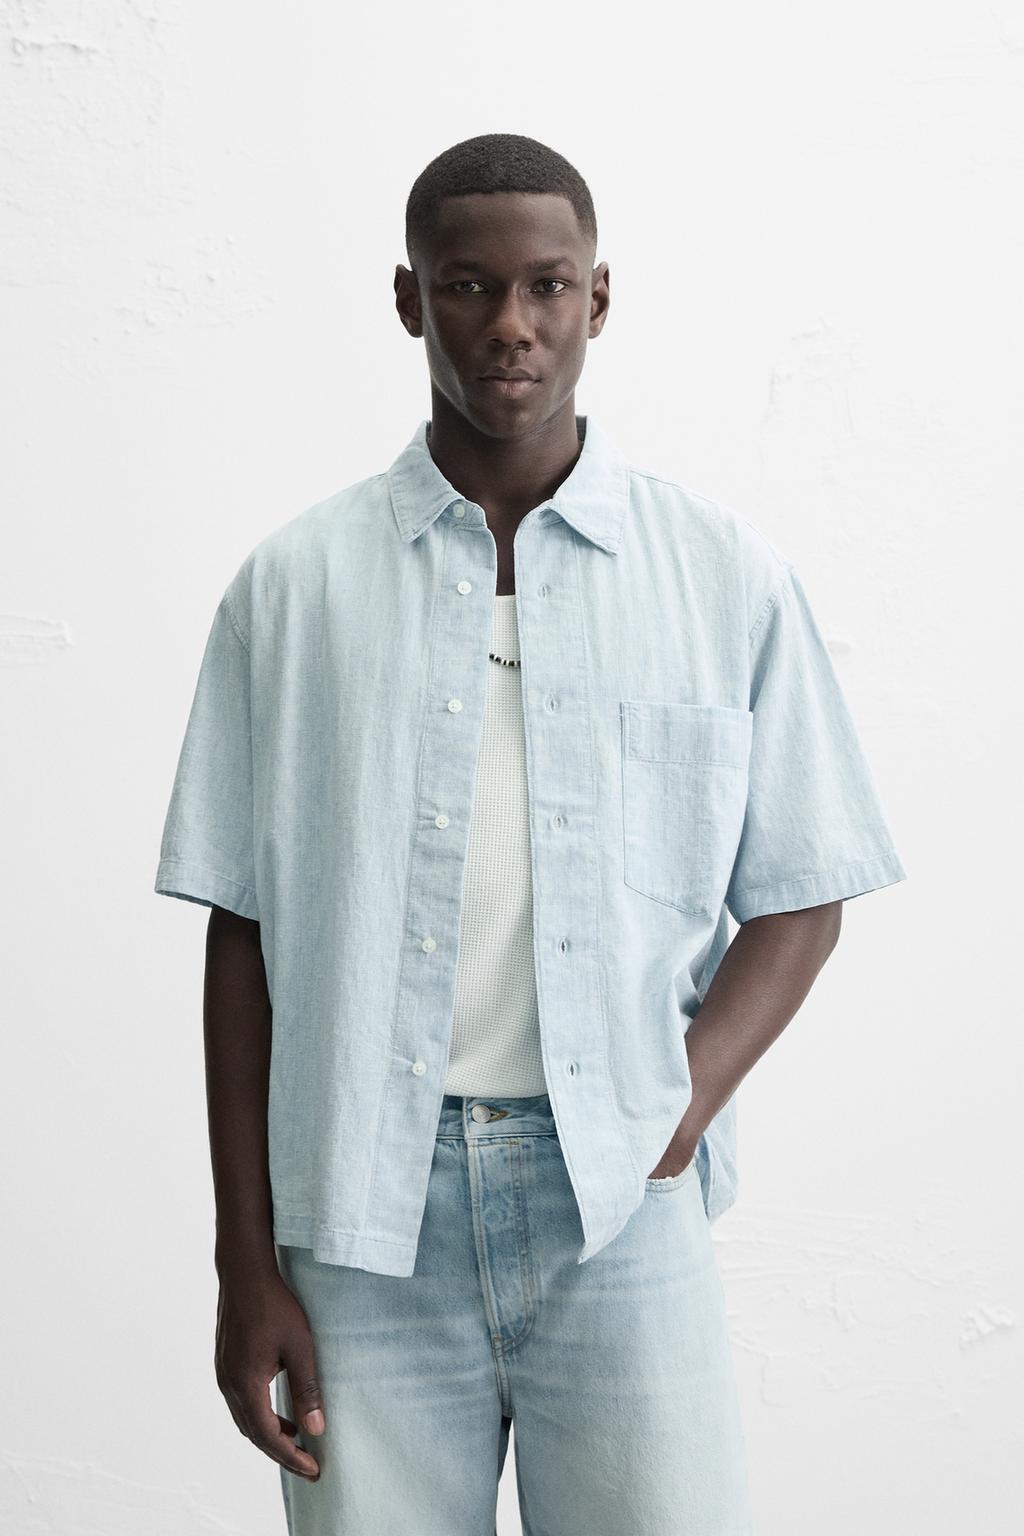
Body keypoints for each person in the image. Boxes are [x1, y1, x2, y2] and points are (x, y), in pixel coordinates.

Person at [154, 133, 907, 1535]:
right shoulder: (295, 589)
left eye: (548, 286)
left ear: (597, 299)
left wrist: (677, 1105)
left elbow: (806, 888)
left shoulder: (721, 577)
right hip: (363, 1225)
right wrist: (243, 1264)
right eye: (467, 285)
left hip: (620, 1207)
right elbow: (242, 934)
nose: (510, 323)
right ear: (409, 299)